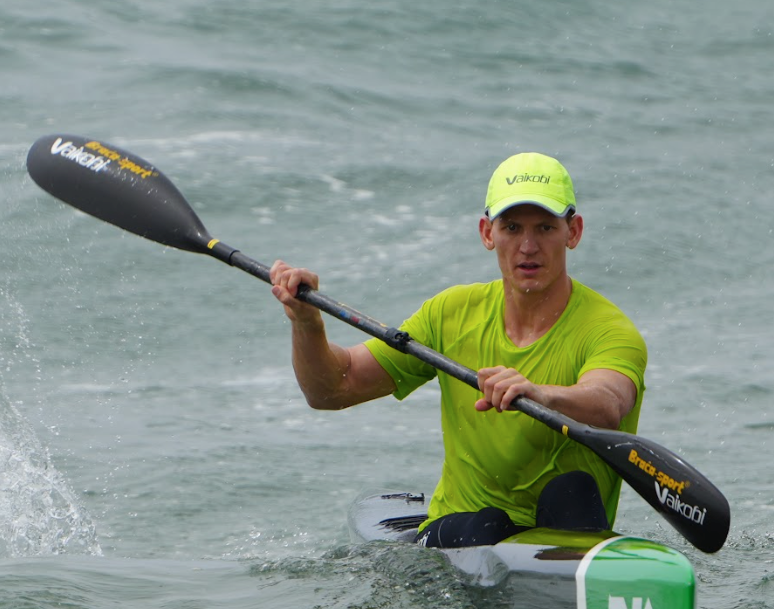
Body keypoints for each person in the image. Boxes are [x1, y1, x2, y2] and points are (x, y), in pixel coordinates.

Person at [269, 152, 647, 547]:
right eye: (512, 227)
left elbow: (608, 403)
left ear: (573, 231)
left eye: (546, 228)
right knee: (486, 526)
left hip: (564, 534)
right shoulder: (450, 313)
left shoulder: (608, 329)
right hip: (464, 530)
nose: (528, 246)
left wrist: (540, 394)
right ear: (487, 233)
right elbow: (333, 389)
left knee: (572, 491)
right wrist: (307, 324)